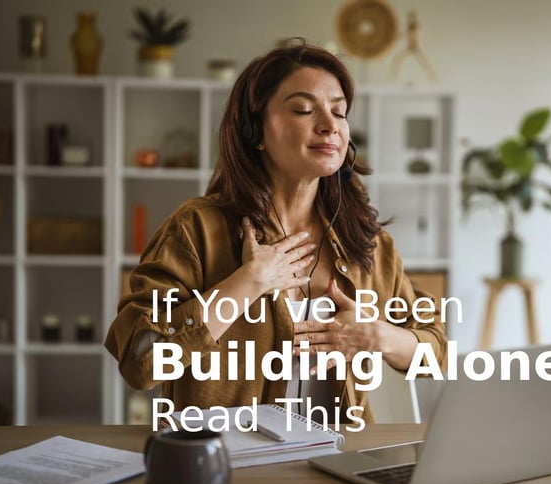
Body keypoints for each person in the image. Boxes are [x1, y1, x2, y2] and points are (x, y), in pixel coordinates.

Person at [105, 39, 447, 425]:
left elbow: (437, 351)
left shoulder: (367, 242)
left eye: (339, 111)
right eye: (303, 109)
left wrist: (376, 336)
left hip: (341, 455)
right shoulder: (196, 228)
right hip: (227, 456)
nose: (330, 125)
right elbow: (140, 362)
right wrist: (247, 283)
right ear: (255, 131)